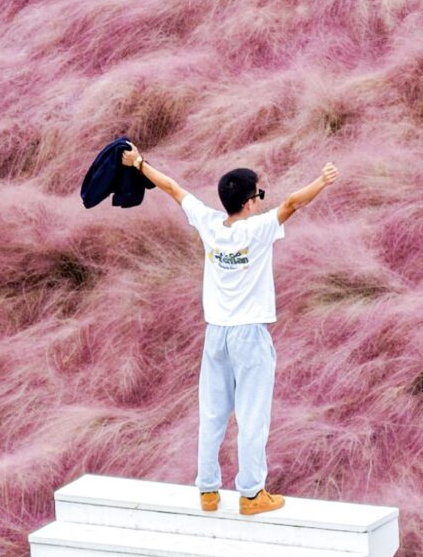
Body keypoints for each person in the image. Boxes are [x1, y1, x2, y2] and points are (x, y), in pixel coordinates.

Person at [120, 144, 340, 515]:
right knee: (253, 415)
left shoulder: (208, 223)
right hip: (249, 335)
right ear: (251, 202)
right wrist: (321, 180)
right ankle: (252, 495)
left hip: (216, 334)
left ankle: (208, 490)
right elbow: (291, 204)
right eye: (259, 194)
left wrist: (139, 163)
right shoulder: (258, 230)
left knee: (212, 413)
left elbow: (173, 189)